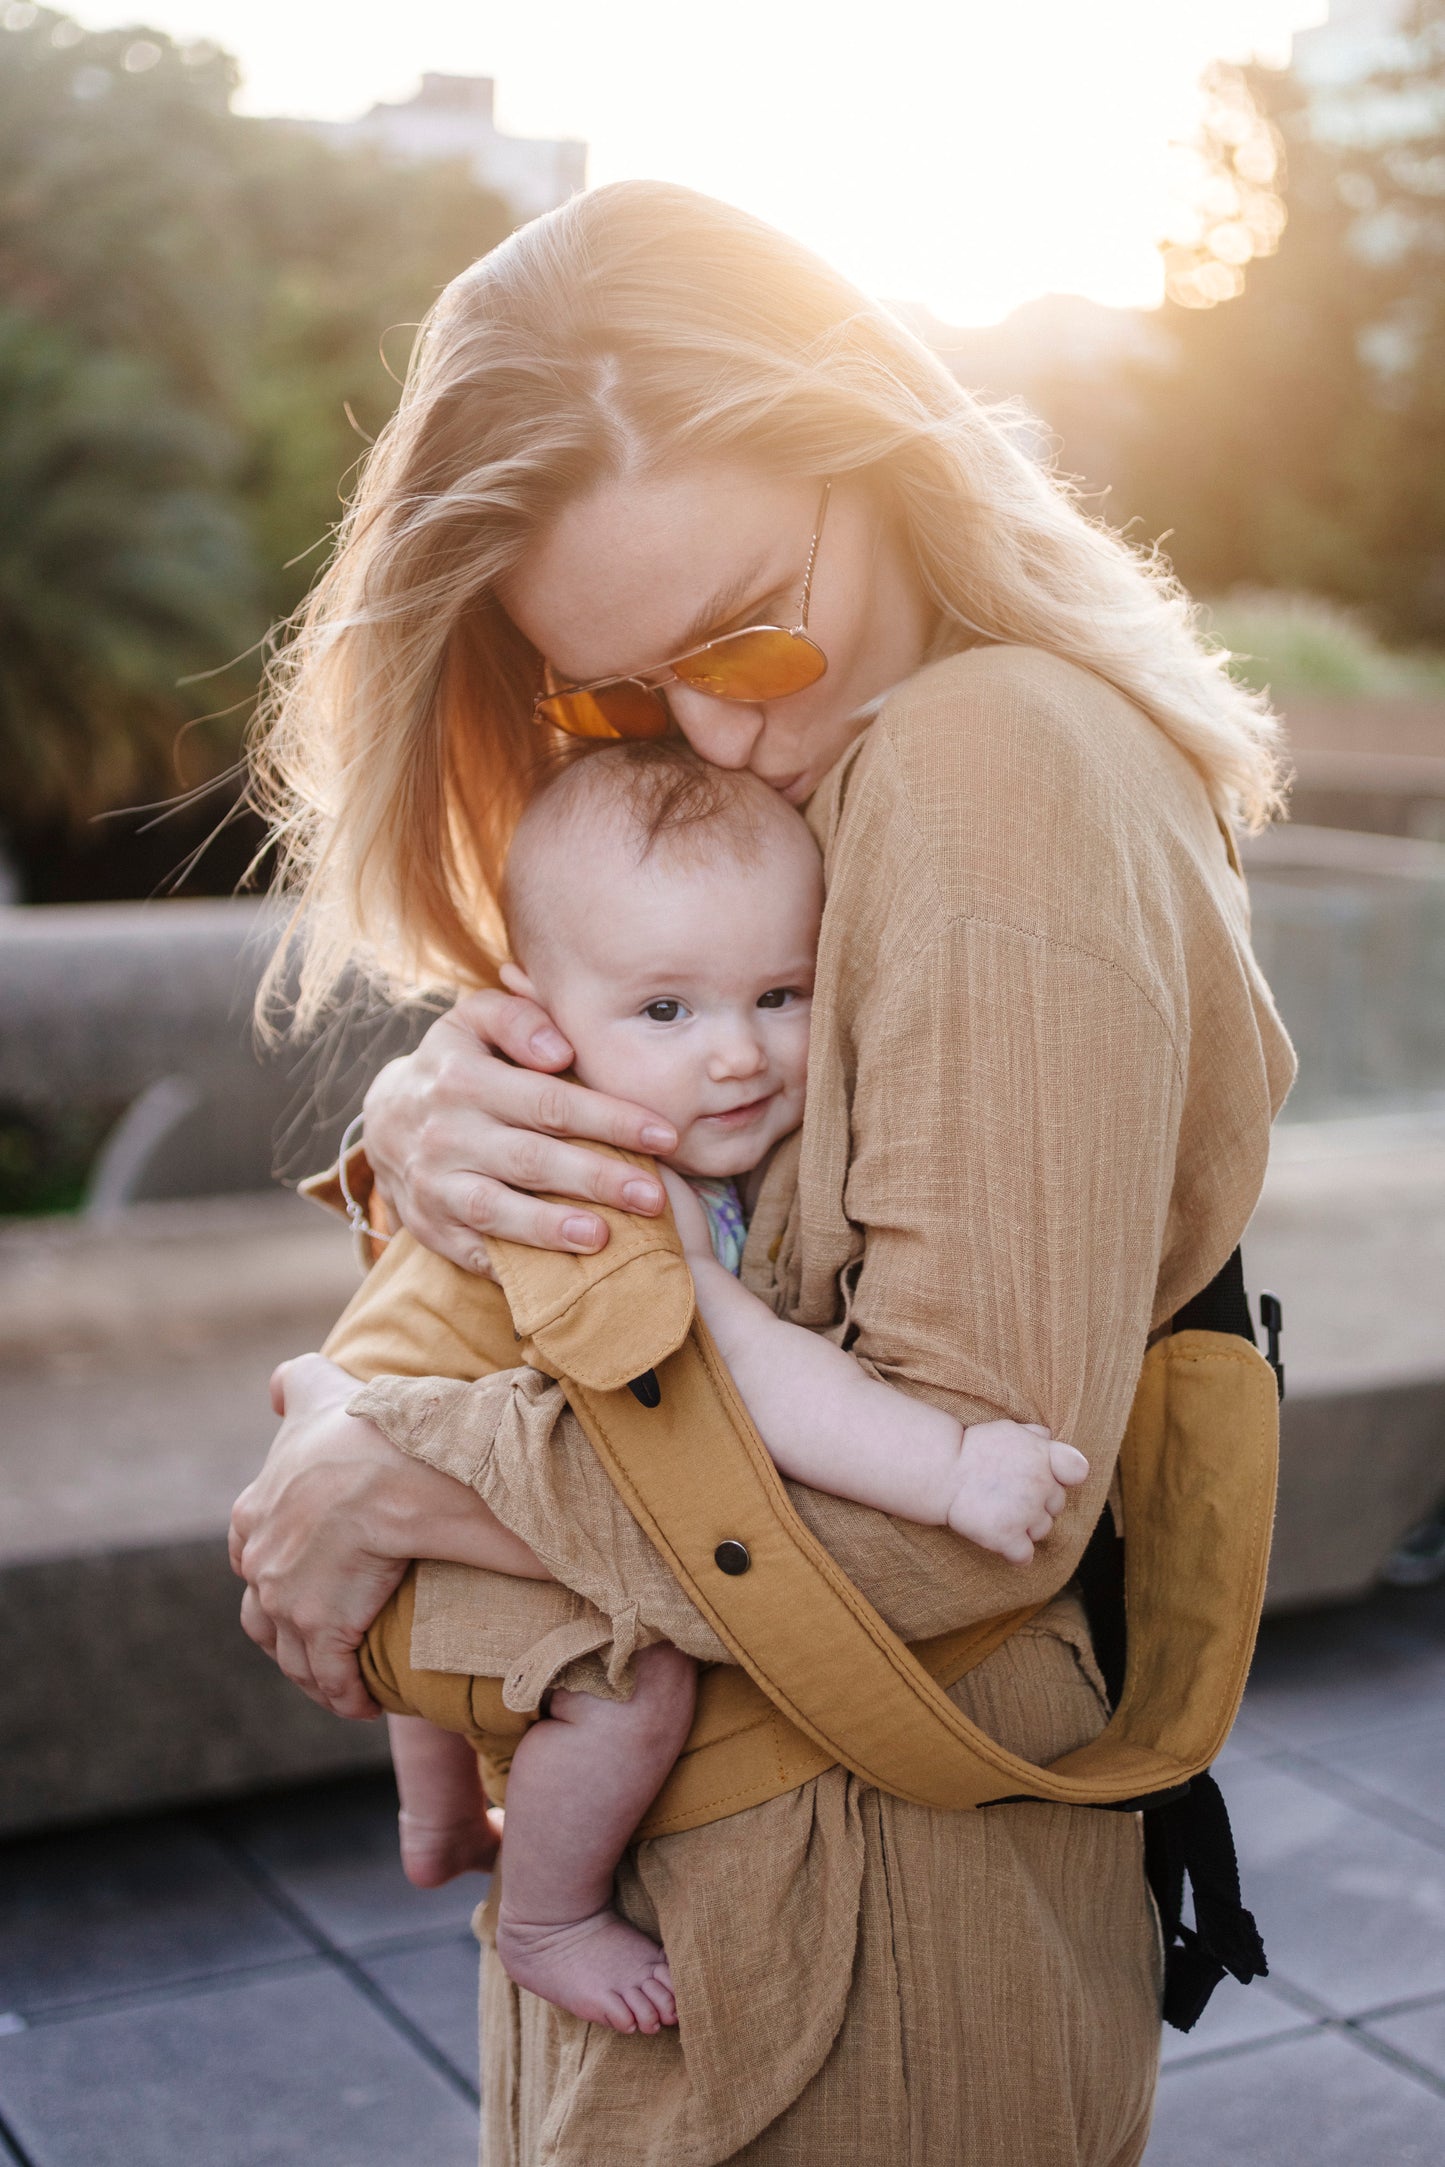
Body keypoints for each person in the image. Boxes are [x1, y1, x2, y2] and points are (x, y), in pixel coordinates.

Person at [231, 178, 1295, 2165]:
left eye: (749, 626)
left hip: (846, 1971)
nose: (724, 727)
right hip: (752, 1918)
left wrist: (398, 1504)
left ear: (878, 444)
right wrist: (429, 1133)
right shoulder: (854, 762)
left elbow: (969, 1502)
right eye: (619, 692)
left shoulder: (988, 762)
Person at [374, 739, 1089, 2035]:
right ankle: (545, 1915)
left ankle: (433, 1808)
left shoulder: (626, 1117)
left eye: (780, 995)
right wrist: (948, 1468)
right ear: (538, 1020)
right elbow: (750, 1372)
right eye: (665, 1011)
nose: (738, 1058)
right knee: (632, 1689)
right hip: (402, 1484)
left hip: (400, 1460)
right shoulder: (605, 1184)